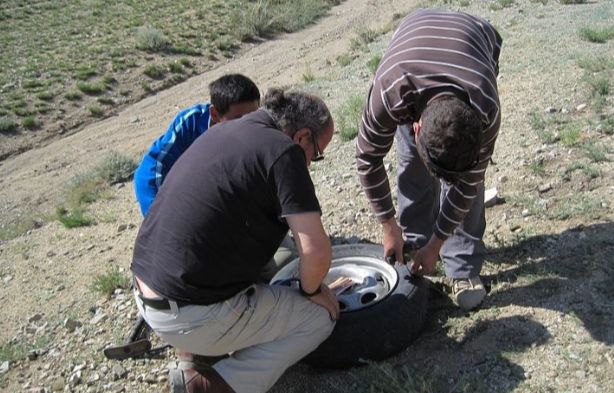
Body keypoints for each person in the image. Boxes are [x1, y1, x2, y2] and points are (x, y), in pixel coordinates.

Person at [131, 88, 338, 393]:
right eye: (316, 155)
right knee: (319, 318)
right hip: (191, 313)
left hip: (148, 293)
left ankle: (196, 352)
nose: (310, 162)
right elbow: (316, 252)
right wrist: (314, 292)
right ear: (302, 136)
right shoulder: (284, 150)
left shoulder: (226, 129)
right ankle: (207, 386)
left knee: (271, 269)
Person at [356, 9, 502, 311]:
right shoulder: (389, 93)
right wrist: (388, 225)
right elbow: (368, 159)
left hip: (476, 36)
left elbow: (467, 185)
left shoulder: (485, 107)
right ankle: (414, 243)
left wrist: (438, 245)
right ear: (415, 126)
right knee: (412, 162)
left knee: (469, 183)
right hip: (412, 35)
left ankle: (462, 265)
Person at [133, 73, 260, 216]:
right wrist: (157, 214)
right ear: (214, 114)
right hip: (180, 198)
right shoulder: (190, 124)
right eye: (238, 119)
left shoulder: (260, 128)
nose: (248, 126)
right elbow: (152, 168)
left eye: (253, 117)